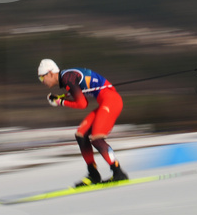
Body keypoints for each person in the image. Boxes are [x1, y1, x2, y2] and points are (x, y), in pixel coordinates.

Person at [38, 58, 129, 186]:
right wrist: (62, 97)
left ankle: (119, 173)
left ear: (50, 73)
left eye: (42, 78)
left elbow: (82, 104)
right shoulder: (67, 77)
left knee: (97, 138)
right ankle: (93, 175)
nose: (42, 82)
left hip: (111, 101)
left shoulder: (67, 78)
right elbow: (78, 93)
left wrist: (61, 102)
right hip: (106, 100)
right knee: (81, 135)